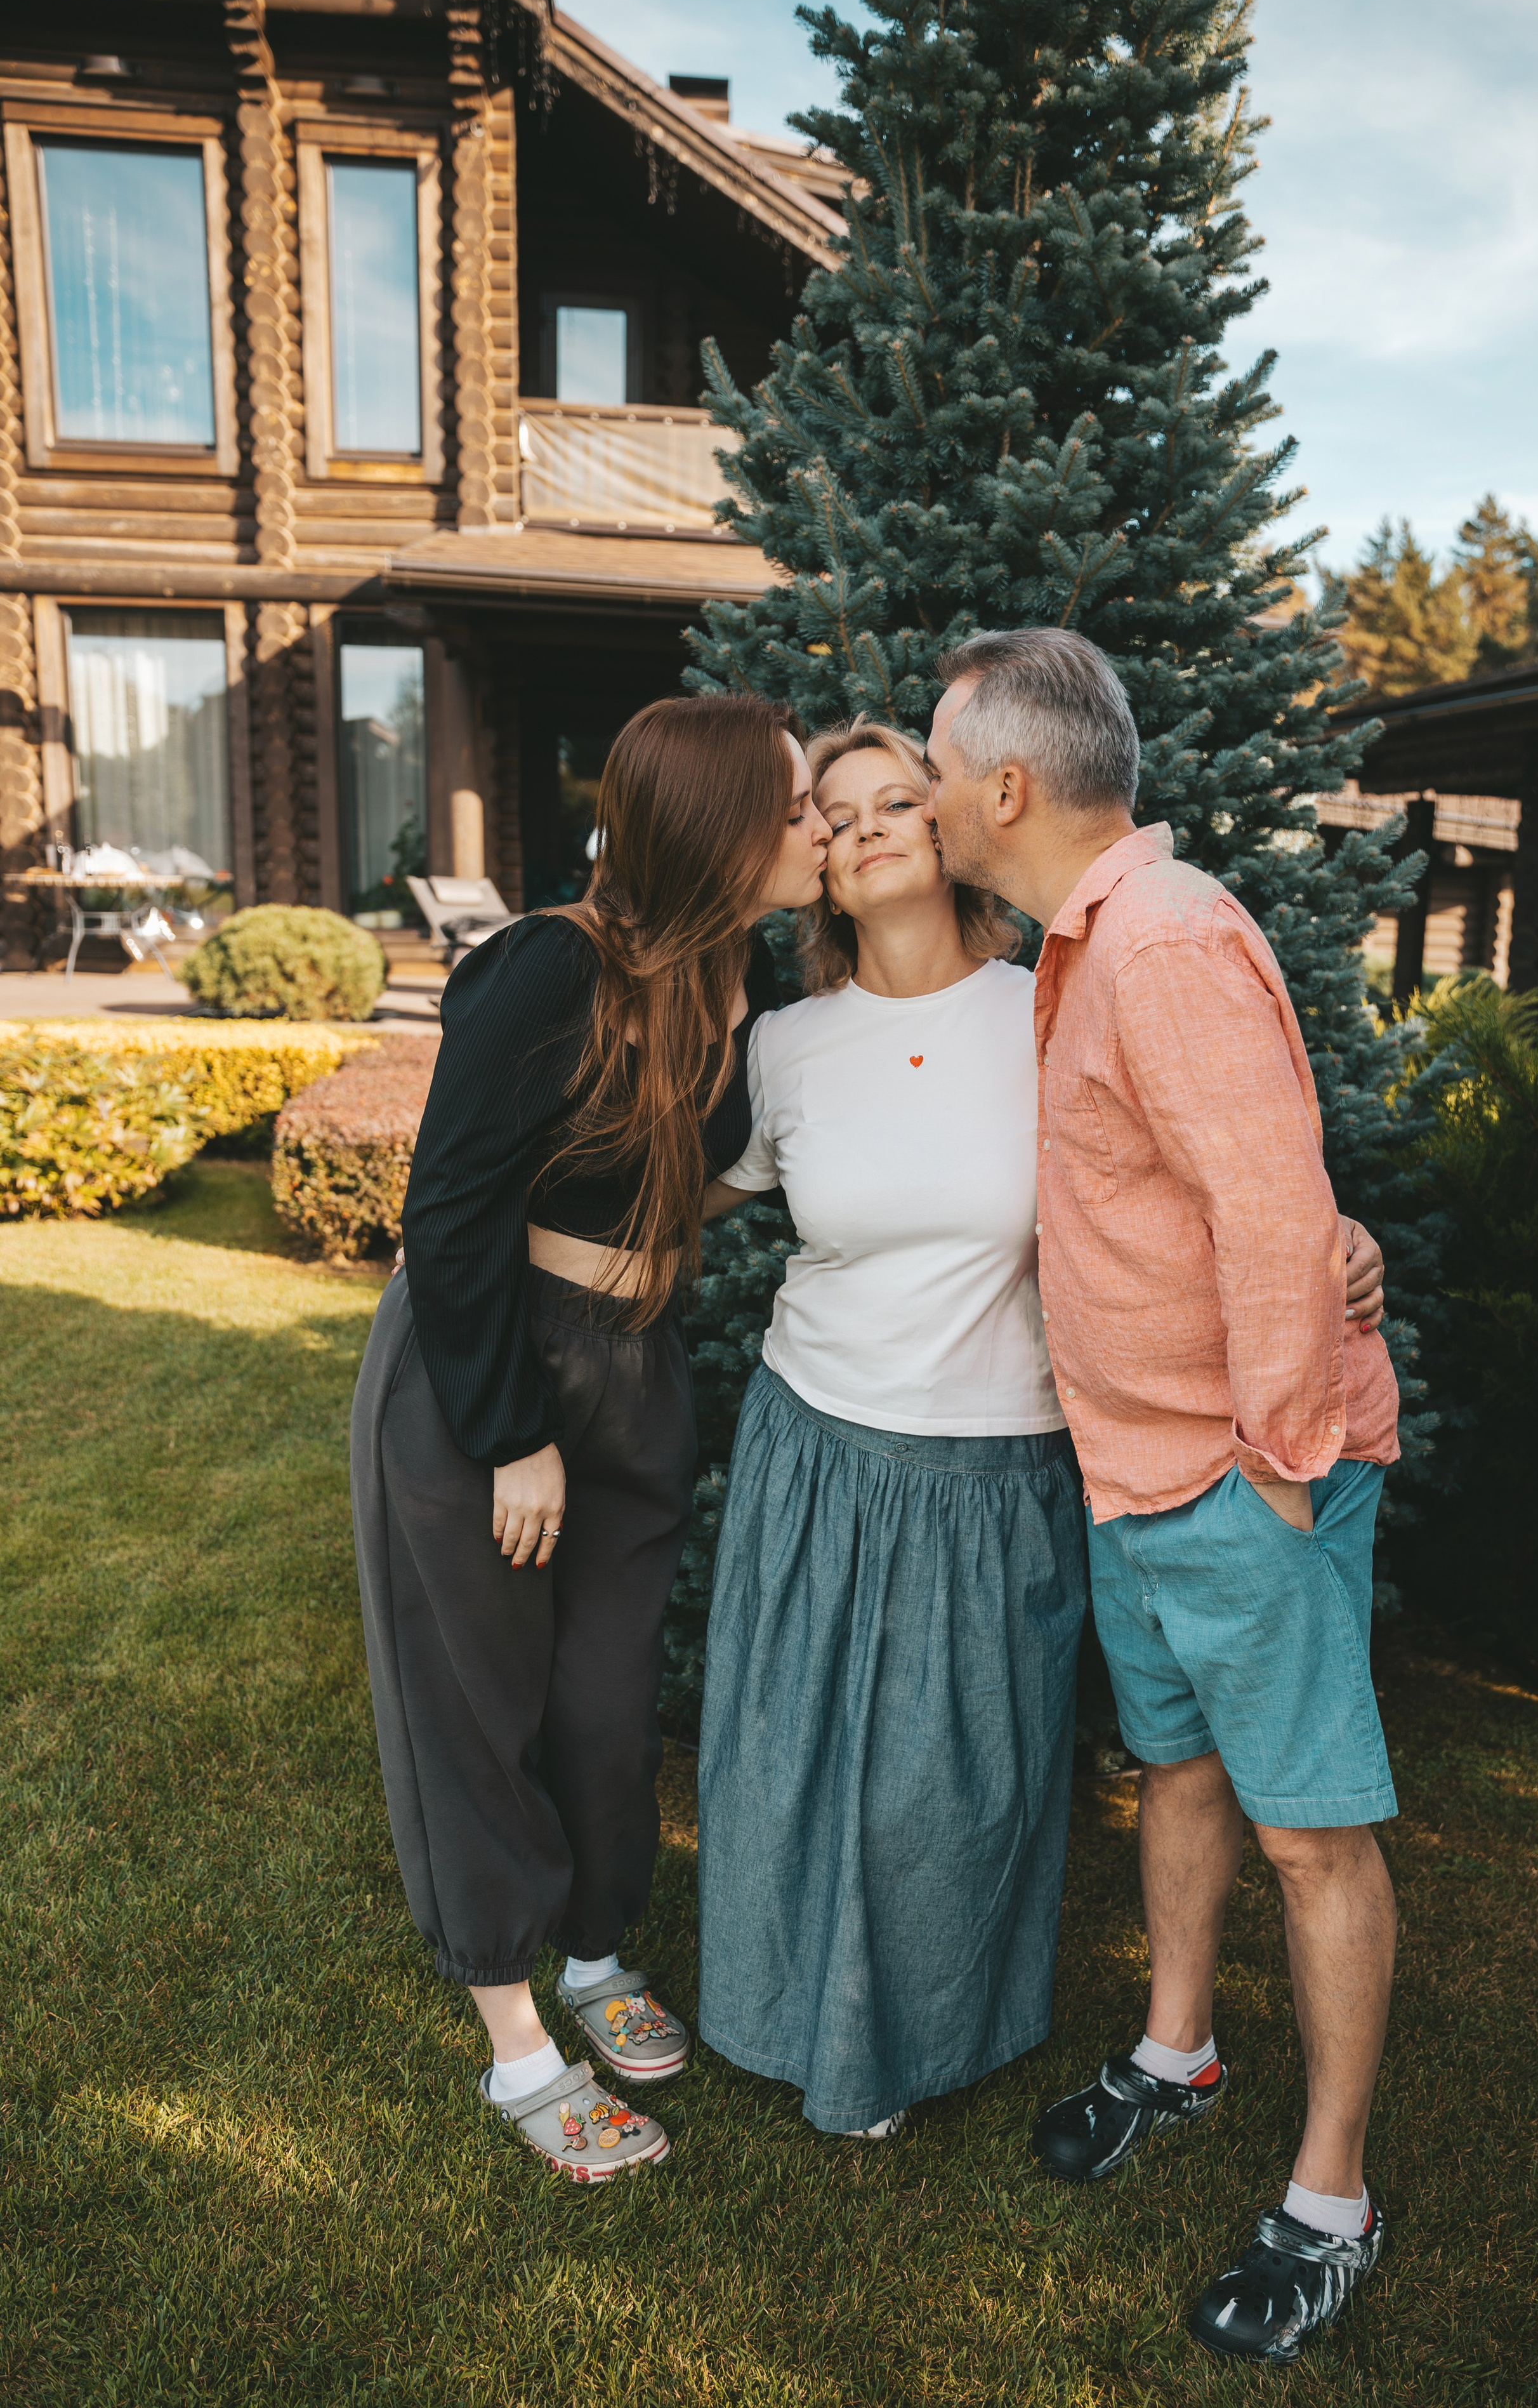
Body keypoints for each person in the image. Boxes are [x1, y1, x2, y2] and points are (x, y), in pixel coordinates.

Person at [695, 717, 1386, 2148]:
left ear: (954, 828)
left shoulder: (1048, 1004)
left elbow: (1202, 1161)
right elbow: (669, 1192)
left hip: (1001, 1458)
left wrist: (1334, 1242)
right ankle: (789, 2021)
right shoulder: (779, 1048)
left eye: (904, 795)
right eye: (840, 811)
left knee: (943, 1796)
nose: (877, 823)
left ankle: (932, 2033)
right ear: (813, 858)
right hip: (816, 1440)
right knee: (789, 1767)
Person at [923, 628, 1403, 2367]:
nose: (919, 788)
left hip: (1234, 1474)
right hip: (1138, 1473)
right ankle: (1178, 2049)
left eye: (933, 759)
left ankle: (1330, 2199)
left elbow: (1280, 1218)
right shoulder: (1088, 940)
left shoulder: (1171, 942)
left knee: (1310, 1832)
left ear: (1005, 786)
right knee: (1179, 1773)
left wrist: (1278, 1474)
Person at [350, 693, 831, 2183]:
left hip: (634, 1368)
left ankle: (594, 1950)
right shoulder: (554, 966)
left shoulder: (743, 976)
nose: (821, 827)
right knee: (475, 1700)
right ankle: (516, 2044)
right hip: (485, 1369)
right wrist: (510, 1435)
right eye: (801, 804)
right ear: (721, 826)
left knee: (608, 1699)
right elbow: (448, 1209)